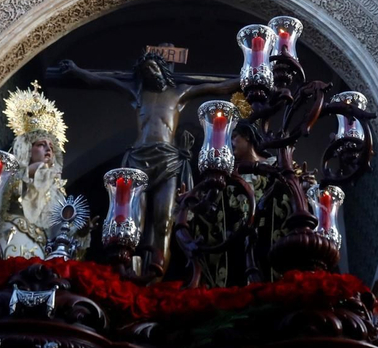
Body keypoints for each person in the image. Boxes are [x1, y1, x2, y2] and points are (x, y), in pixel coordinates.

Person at [46, 49, 239, 279]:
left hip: (168, 159)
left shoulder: (179, 93)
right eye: (145, 70)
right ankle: (129, 273)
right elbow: (105, 81)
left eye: (153, 68)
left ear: (162, 70)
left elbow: (219, 87)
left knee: (164, 219)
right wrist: (78, 71)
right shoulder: (138, 94)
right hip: (138, 157)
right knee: (131, 221)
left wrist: (248, 76)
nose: (150, 72)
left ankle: (156, 275)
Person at [0, 81, 69, 260]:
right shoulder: (11, 173)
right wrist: (31, 172)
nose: (48, 150)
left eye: (51, 147)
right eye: (41, 145)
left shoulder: (55, 186)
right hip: (11, 237)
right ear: (28, 148)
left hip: (38, 248)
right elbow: (0, 197)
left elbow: (58, 226)